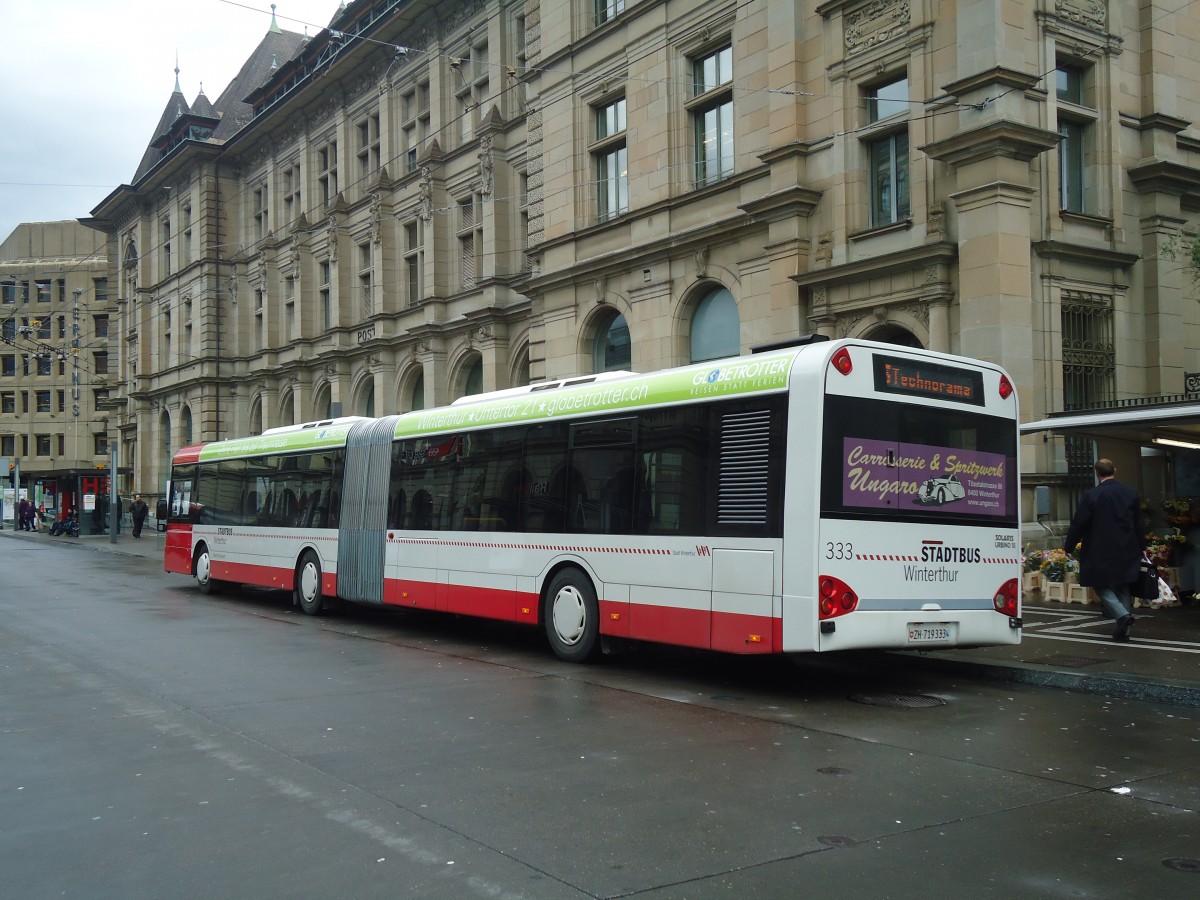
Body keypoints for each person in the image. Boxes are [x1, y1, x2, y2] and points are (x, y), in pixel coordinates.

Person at [1063, 458, 1147, 642]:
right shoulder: (1130, 492)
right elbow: (1138, 523)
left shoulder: (1091, 495)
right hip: (1127, 546)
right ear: (1114, 470)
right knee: (1123, 585)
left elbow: (1079, 523)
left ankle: (1122, 616)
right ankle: (1124, 632)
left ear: (1096, 473)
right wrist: (1143, 547)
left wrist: (1069, 546)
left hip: (1099, 547)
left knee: (1100, 584)